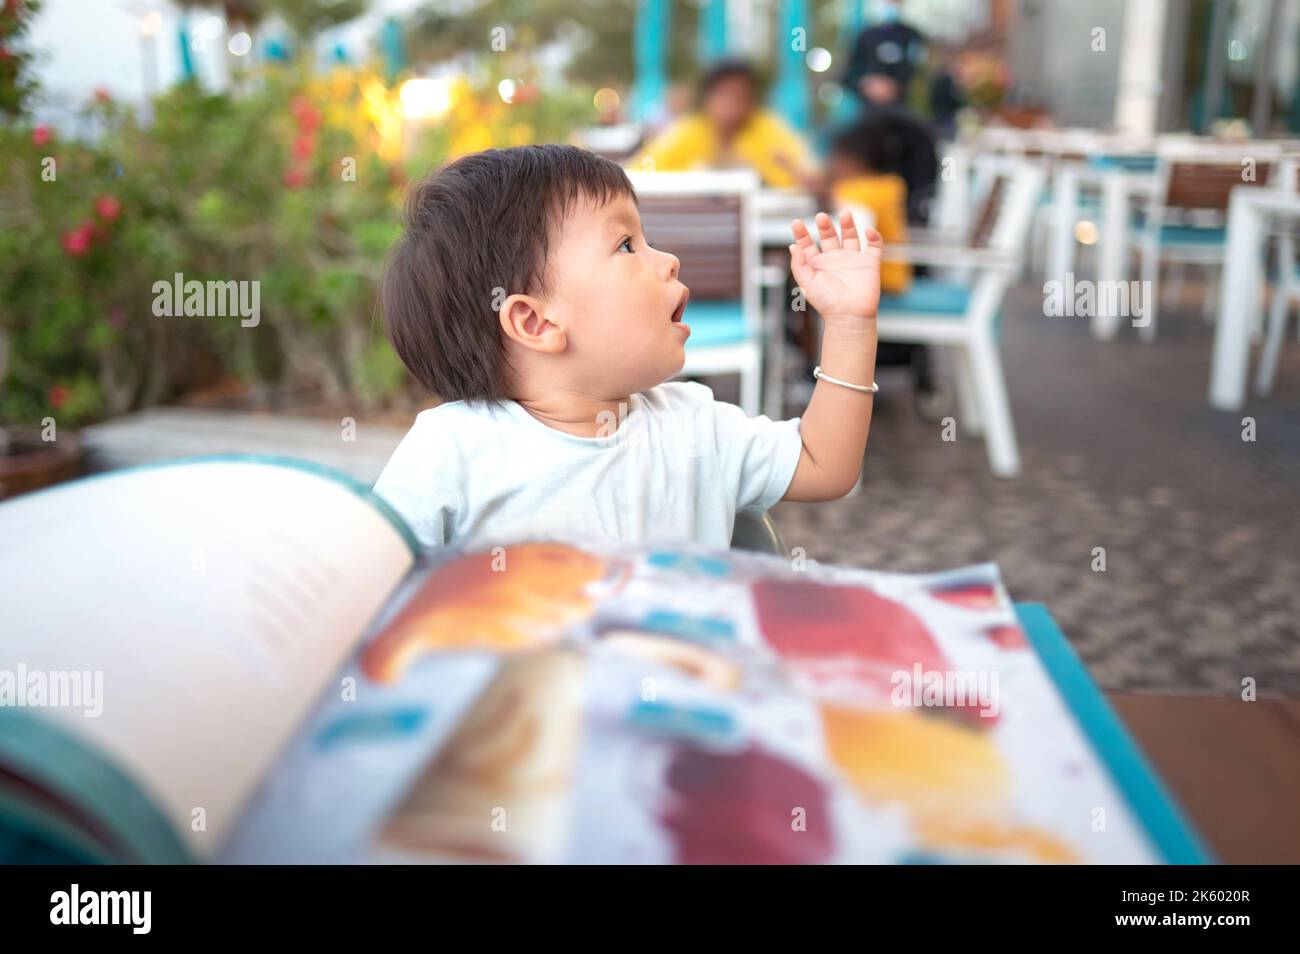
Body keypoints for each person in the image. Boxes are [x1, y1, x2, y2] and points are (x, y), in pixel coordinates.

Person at [374, 145, 882, 550]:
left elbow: (826, 465)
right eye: (626, 245)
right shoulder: (452, 453)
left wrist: (850, 325)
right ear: (535, 321)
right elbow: (367, 589)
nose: (669, 261)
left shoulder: (694, 427)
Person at [630, 59, 818, 189]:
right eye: (724, 95)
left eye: (741, 97)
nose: (732, 106)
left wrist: (794, 171)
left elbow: (812, 178)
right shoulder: (689, 131)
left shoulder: (769, 129)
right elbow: (637, 174)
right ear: (707, 98)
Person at [827, 120, 911, 296]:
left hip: (885, 282)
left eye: (839, 158)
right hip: (877, 277)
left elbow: (836, 197)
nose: (832, 165)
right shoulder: (890, 185)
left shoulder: (879, 188)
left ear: (859, 161)